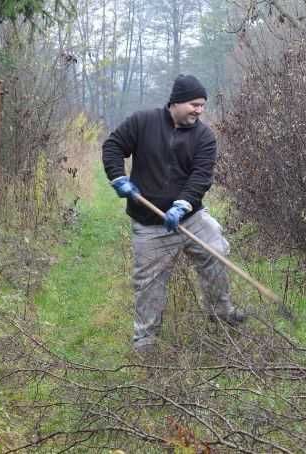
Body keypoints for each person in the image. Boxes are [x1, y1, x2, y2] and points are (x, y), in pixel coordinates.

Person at [103, 74, 245, 354]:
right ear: (176, 102)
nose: (199, 111)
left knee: (216, 251)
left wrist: (183, 205)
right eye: (194, 104)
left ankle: (221, 315)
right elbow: (113, 146)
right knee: (149, 282)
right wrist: (118, 177)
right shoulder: (143, 122)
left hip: (190, 218)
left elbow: (202, 176)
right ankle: (145, 341)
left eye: (202, 106)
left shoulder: (204, 136)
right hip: (150, 224)